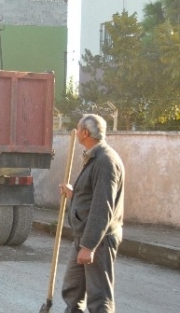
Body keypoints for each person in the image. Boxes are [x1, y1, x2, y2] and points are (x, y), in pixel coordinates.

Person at [59, 114, 125, 313]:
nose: (76, 132)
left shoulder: (105, 160)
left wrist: (88, 246)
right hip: (85, 235)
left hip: (98, 239)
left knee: (98, 297)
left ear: (85, 132)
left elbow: (102, 206)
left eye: (78, 128)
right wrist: (74, 193)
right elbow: (92, 194)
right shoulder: (94, 156)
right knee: (73, 289)